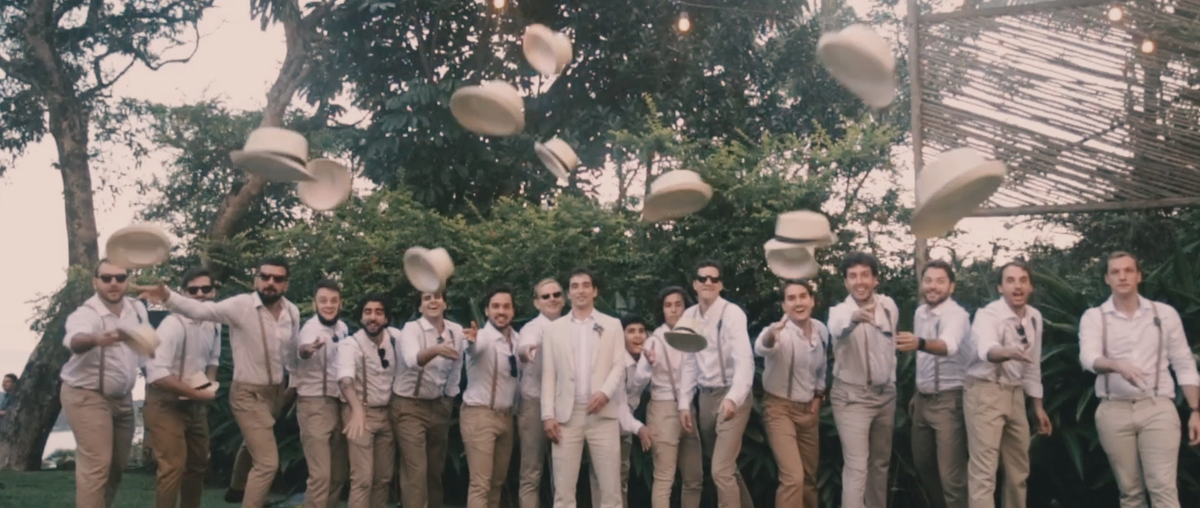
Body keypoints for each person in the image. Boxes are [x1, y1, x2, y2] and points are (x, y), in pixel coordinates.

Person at [138, 256, 302, 508]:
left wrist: (292, 385)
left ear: (286, 284)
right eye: (265, 277)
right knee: (267, 462)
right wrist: (167, 295)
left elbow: (291, 353)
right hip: (243, 393)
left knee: (204, 463)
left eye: (277, 279)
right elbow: (201, 310)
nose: (270, 283)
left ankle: (236, 488)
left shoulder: (292, 312)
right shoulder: (240, 306)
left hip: (274, 392)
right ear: (256, 278)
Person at [1078, 251, 1200, 507]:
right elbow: (1089, 358)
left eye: (1128, 270)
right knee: (1130, 492)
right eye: (1115, 272)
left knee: (1163, 488)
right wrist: (1116, 365)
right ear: (1107, 279)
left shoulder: (1164, 314)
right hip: (1113, 410)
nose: (1122, 276)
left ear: (1138, 276)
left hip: (1157, 408)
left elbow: (1183, 361)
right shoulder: (1094, 317)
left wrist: (1195, 410)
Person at [61, 259, 151, 508]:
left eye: (120, 278)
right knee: (97, 465)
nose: (114, 283)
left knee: (116, 468)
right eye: (107, 278)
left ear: (127, 281)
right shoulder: (86, 314)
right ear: (95, 282)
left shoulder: (137, 309)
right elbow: (74, 340)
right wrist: (95, 338)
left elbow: (145, 353)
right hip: (85, 396)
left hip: (122, 399)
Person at [963, 261, 1052, 508]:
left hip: (1015, 394)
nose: (1017, 286)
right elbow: (987, 350)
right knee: (984, 471)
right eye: (1010, 281)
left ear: (1031, 286)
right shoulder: (988, 315)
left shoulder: (1034, 318)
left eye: (1023, 280)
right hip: (985, 391)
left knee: (1018, 469)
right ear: (1000, 288)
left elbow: (1033, 364)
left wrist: (1038, 407)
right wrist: (1008, 352)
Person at [541, 268, 626, 508]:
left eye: (586, 285)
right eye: (575, 286)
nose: (581, 290)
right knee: (564, 490)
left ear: (594, 291)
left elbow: (619, 364)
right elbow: (549, 375)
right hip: (566, 416)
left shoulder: (612, 325)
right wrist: (548, 415)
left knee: (611, 489)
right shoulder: (553, 330)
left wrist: (605, 393)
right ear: (568, 293)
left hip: (603, 414)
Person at [678, 259, 755, 508]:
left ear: (721, 284)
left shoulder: (732, 313)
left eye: (714, 278)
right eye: (703, 279)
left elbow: (745, 360)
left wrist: (734, 398)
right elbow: (689, 363)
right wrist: (684, 404)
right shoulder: (689, 316)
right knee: (725, 468)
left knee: (721, 470)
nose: (708, 282)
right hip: (704, 396)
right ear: (694, 284)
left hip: (731, 392)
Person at [827, 251, 900, 508]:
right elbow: (838, 328)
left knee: (879, 464)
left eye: (865, 275)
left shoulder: (889, 306)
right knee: (857, 466)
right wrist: (855, 318)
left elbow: (890, 348)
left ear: (875, 279)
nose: (859, 281)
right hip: (852, 398)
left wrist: (890, 380)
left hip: (885, 396)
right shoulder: (839, 311)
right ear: (846, 282)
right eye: (853, 276)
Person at [144, 267, 222, 508]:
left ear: (213, 291)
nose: (200, 294)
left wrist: (208, 385)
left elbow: (213, 361)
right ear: (183, 294)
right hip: (165, 401)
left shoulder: (214, 323)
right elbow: (157, 374)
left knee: (198, 464)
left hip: (195, 401)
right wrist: (197, 394)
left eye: (206, 289)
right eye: (193, 290)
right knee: (172, 467)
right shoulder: (172, 325)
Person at [902, 260, 971, 508]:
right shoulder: (921, 312)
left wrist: (919, 342)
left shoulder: (957, 315)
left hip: (950, 401)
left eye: (940, 281)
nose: (933, 286)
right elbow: (923, 359)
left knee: (952, 477)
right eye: (928, 280)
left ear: (951, 287)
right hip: (923, 400)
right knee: (923, 465)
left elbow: (948, 346)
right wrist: (916, 393)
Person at [754, 279, 828, 508]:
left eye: (803, 296)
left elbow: (821, 368)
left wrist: (818, 396)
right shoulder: (780, 332)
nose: (798, 302)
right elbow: (762, 347)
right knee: (793, 478)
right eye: (791, 298)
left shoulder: (821, 330)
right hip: (779, 409)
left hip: (809, 410)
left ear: (812, 300)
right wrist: (769, 337)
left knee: (808, 478)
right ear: (784, 306)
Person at [393, 290, 465, 508]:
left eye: (437, 297)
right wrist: (435, 350)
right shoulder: (411, 329)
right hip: (409, 406)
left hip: (439, 405)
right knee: (416, 470)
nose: (433, 301)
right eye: (427, 298)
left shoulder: (456, 331)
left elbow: (456, 368)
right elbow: (412, 360)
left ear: (445, 303)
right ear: (420, 307)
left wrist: (448, 399)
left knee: (435, 470)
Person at [643, 286, 703, 508]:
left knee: (694, 478)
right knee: (664, 479)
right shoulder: (654, 340)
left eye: (678, 304)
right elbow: (639, 378)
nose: (674, 310)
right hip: (663, 409)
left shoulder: (694, 334)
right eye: (668, 305)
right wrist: (648, 364)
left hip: (689, 409)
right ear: (662, 310)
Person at [462, 285, 520, 508]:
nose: (501, 311)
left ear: (513, 311)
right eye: (495, 306)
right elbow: (474, 347)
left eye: (506, 306)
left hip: (507, 417)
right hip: (480, 415)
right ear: (486, 311)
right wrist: (472, 340)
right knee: (480, 484)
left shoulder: (516, 338)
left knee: (497, 483)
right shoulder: (483, 336)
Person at [293, 279, 350, 508]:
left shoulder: (343, 328)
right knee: (321, 476)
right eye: (323, 301)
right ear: (315, 303)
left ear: (340, 303)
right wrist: (309, 349)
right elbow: (303, 350)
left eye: (333, 301)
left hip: (338, 404)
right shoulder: (310, 328)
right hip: (314, 404)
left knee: (338, 475)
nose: (329, 305)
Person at [337, 294, 398, 508]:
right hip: (359, 413)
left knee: (383, 478)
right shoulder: (350, 344)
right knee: (362, 479)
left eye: (379, 312)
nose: (373, 317)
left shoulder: (395, 338)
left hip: (387, 414)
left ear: (387, 318)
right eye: (368, 312)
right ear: (361, 317)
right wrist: (357, 411)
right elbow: (345, 380)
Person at [589, 314, 654, 508]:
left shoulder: (643, 360)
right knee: (603, 483)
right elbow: (619, 404)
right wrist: (640, 428)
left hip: (624, 428)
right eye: (631, 331)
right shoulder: (614, 361)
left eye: (641, 331)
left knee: (621, 480)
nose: (638, 336)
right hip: (604, 425)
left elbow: (636, 392)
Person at [515, 278, 565, 508]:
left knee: (563, 473)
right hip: (534, 405)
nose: (552, 299)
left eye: (556, 294)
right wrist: (528, 352)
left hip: (563, 406)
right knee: (532, 472)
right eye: (546, 296)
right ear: (536, 303)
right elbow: (524, 348)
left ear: (563, 298)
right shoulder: (532, 328)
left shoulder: (571, 326)